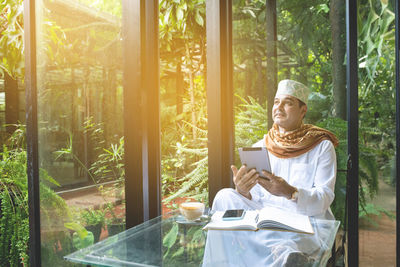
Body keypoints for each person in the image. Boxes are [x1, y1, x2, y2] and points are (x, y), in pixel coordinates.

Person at [207, 79, 339, 266]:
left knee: (274, 239)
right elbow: (257, 198)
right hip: (267, 216)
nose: (279, 107)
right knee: (224, 196)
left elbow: (325, 197)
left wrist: (290, 192)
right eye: (276, 102)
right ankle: (222, 262)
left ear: (303, 111)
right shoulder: (261, 146)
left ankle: (286, 253)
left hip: (303, 220)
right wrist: (243, 191)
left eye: (288, 103)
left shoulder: (321, 146)